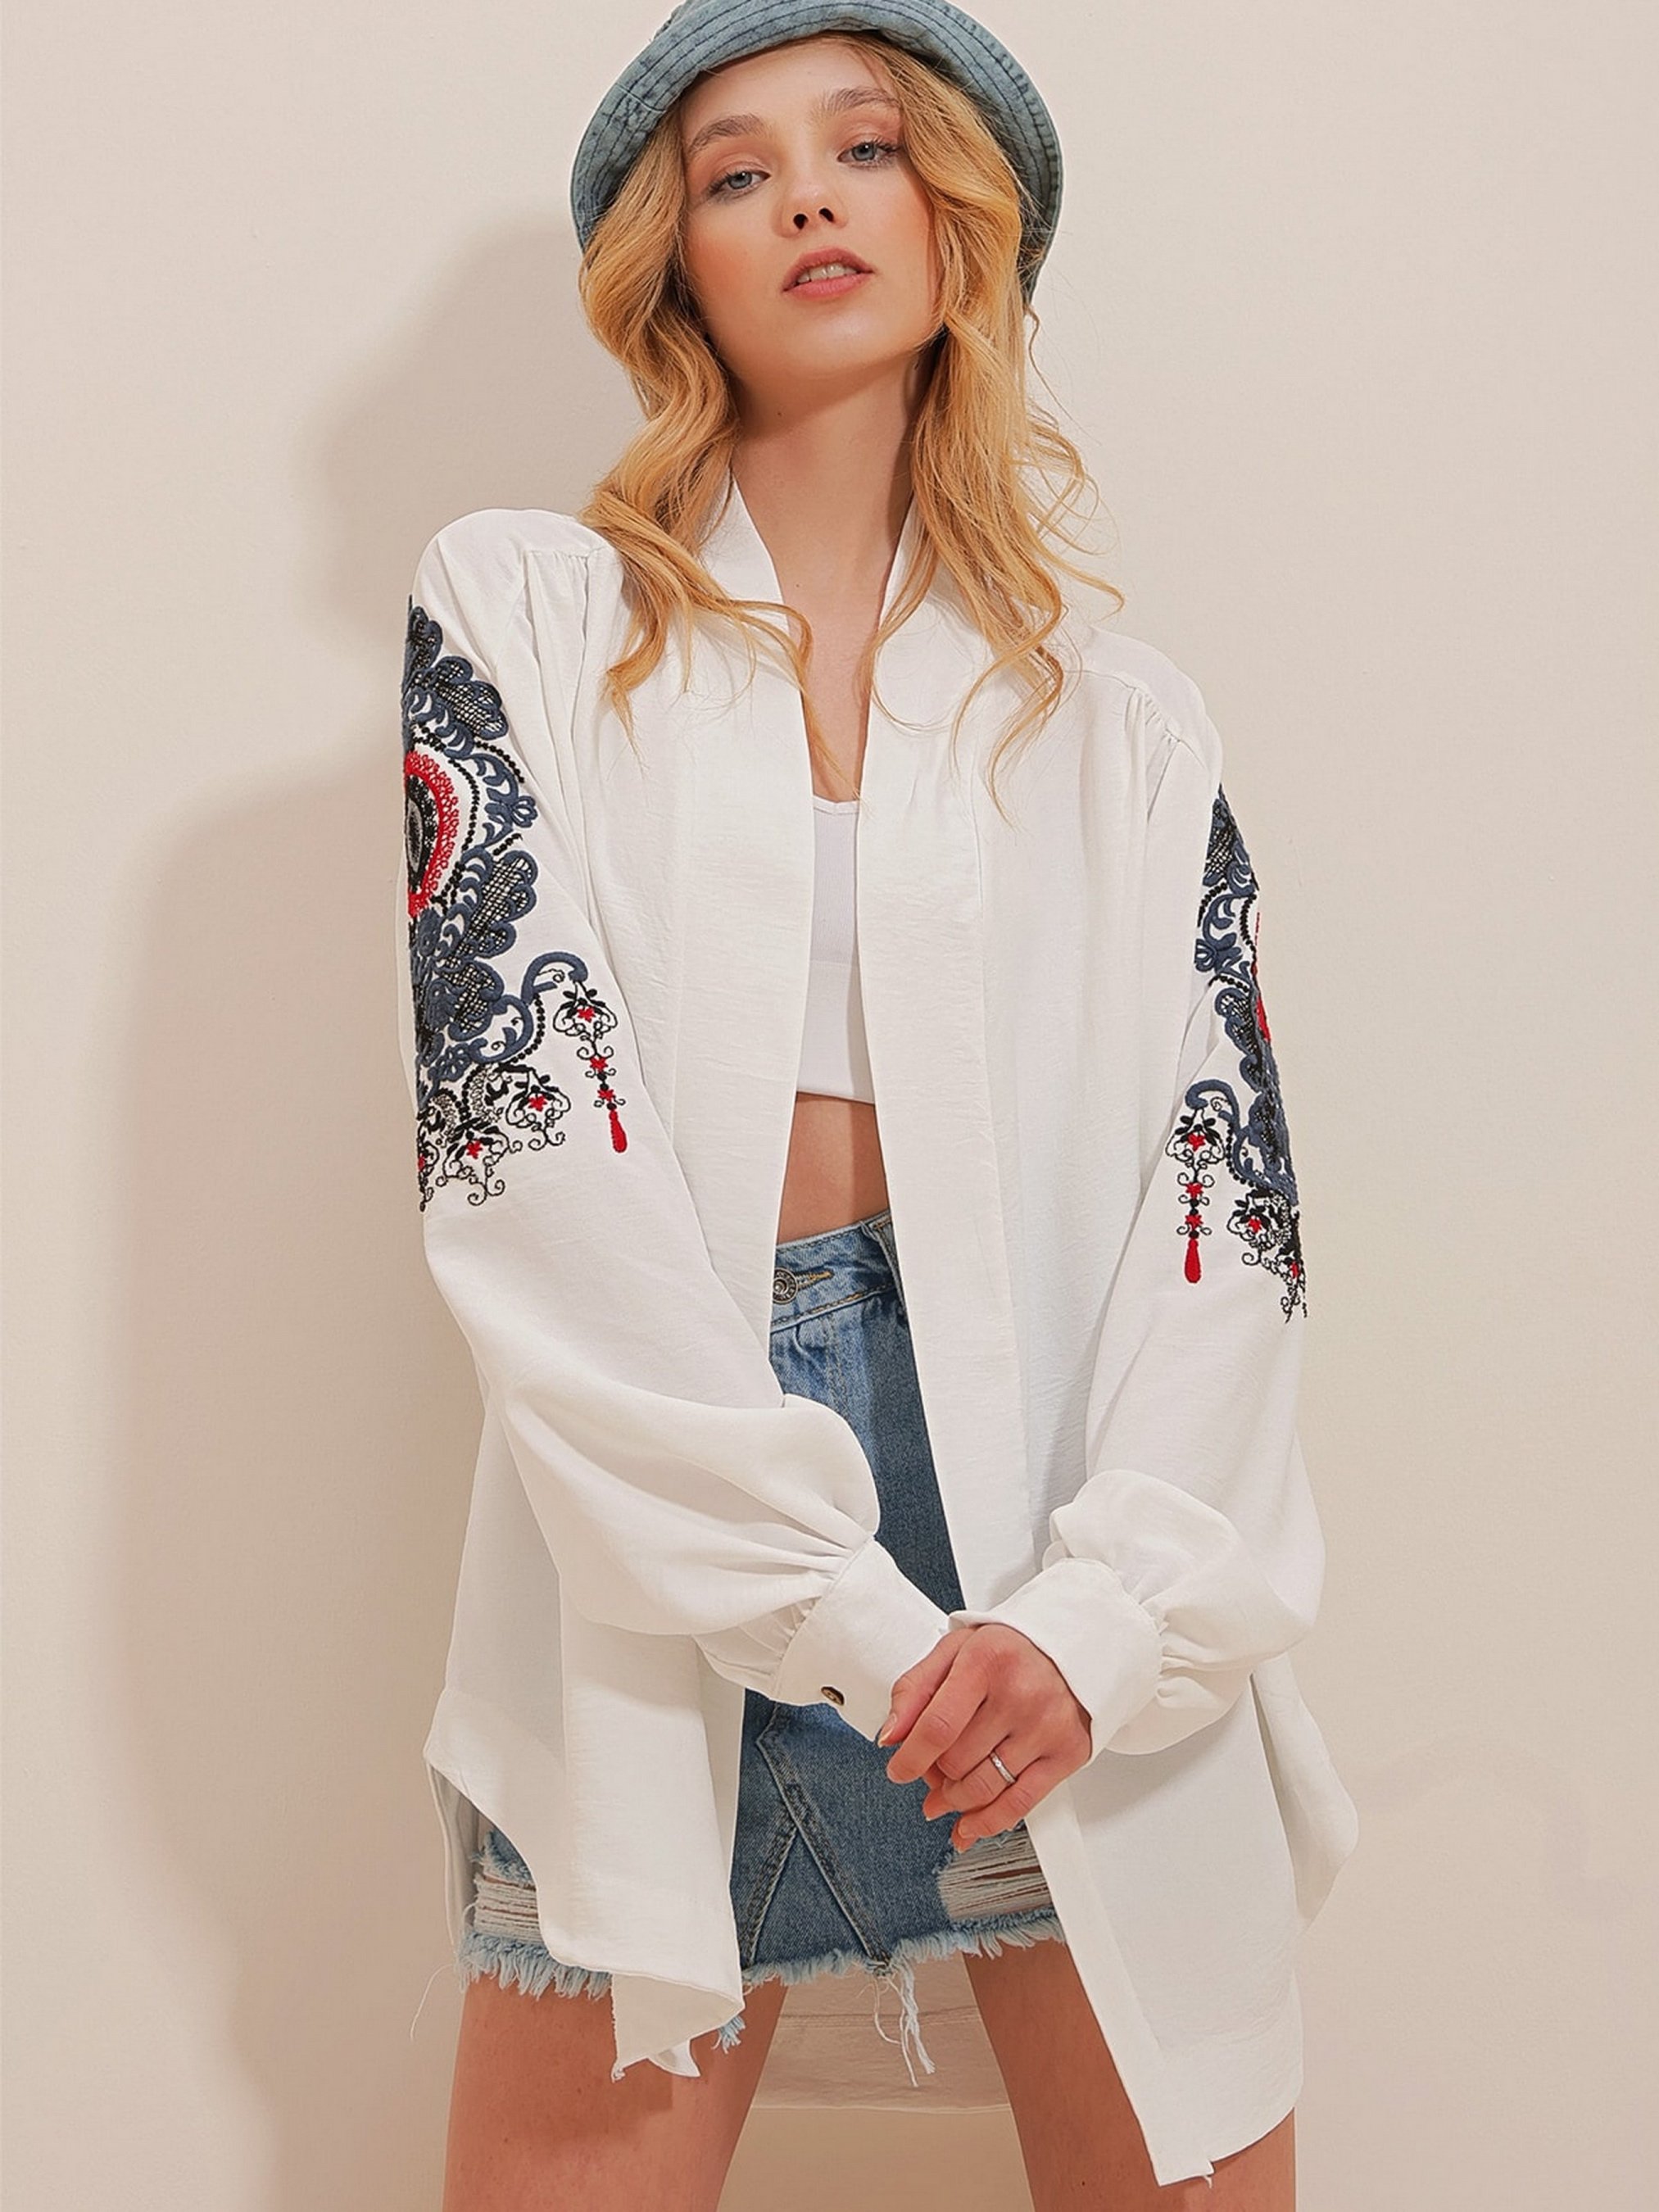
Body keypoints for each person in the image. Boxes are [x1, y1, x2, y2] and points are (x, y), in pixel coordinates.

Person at [397, 3, 1358, 2205]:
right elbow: (524, 1152)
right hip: (664, 1501)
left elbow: (1225, 1218)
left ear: (961, 223)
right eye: (735, 172)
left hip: (1061, 1510)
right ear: (674, 263)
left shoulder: (1116, 721)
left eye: (865, 146)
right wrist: (835, 1608)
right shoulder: (526, 611)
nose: (810, 197)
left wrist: (1098, 1619)